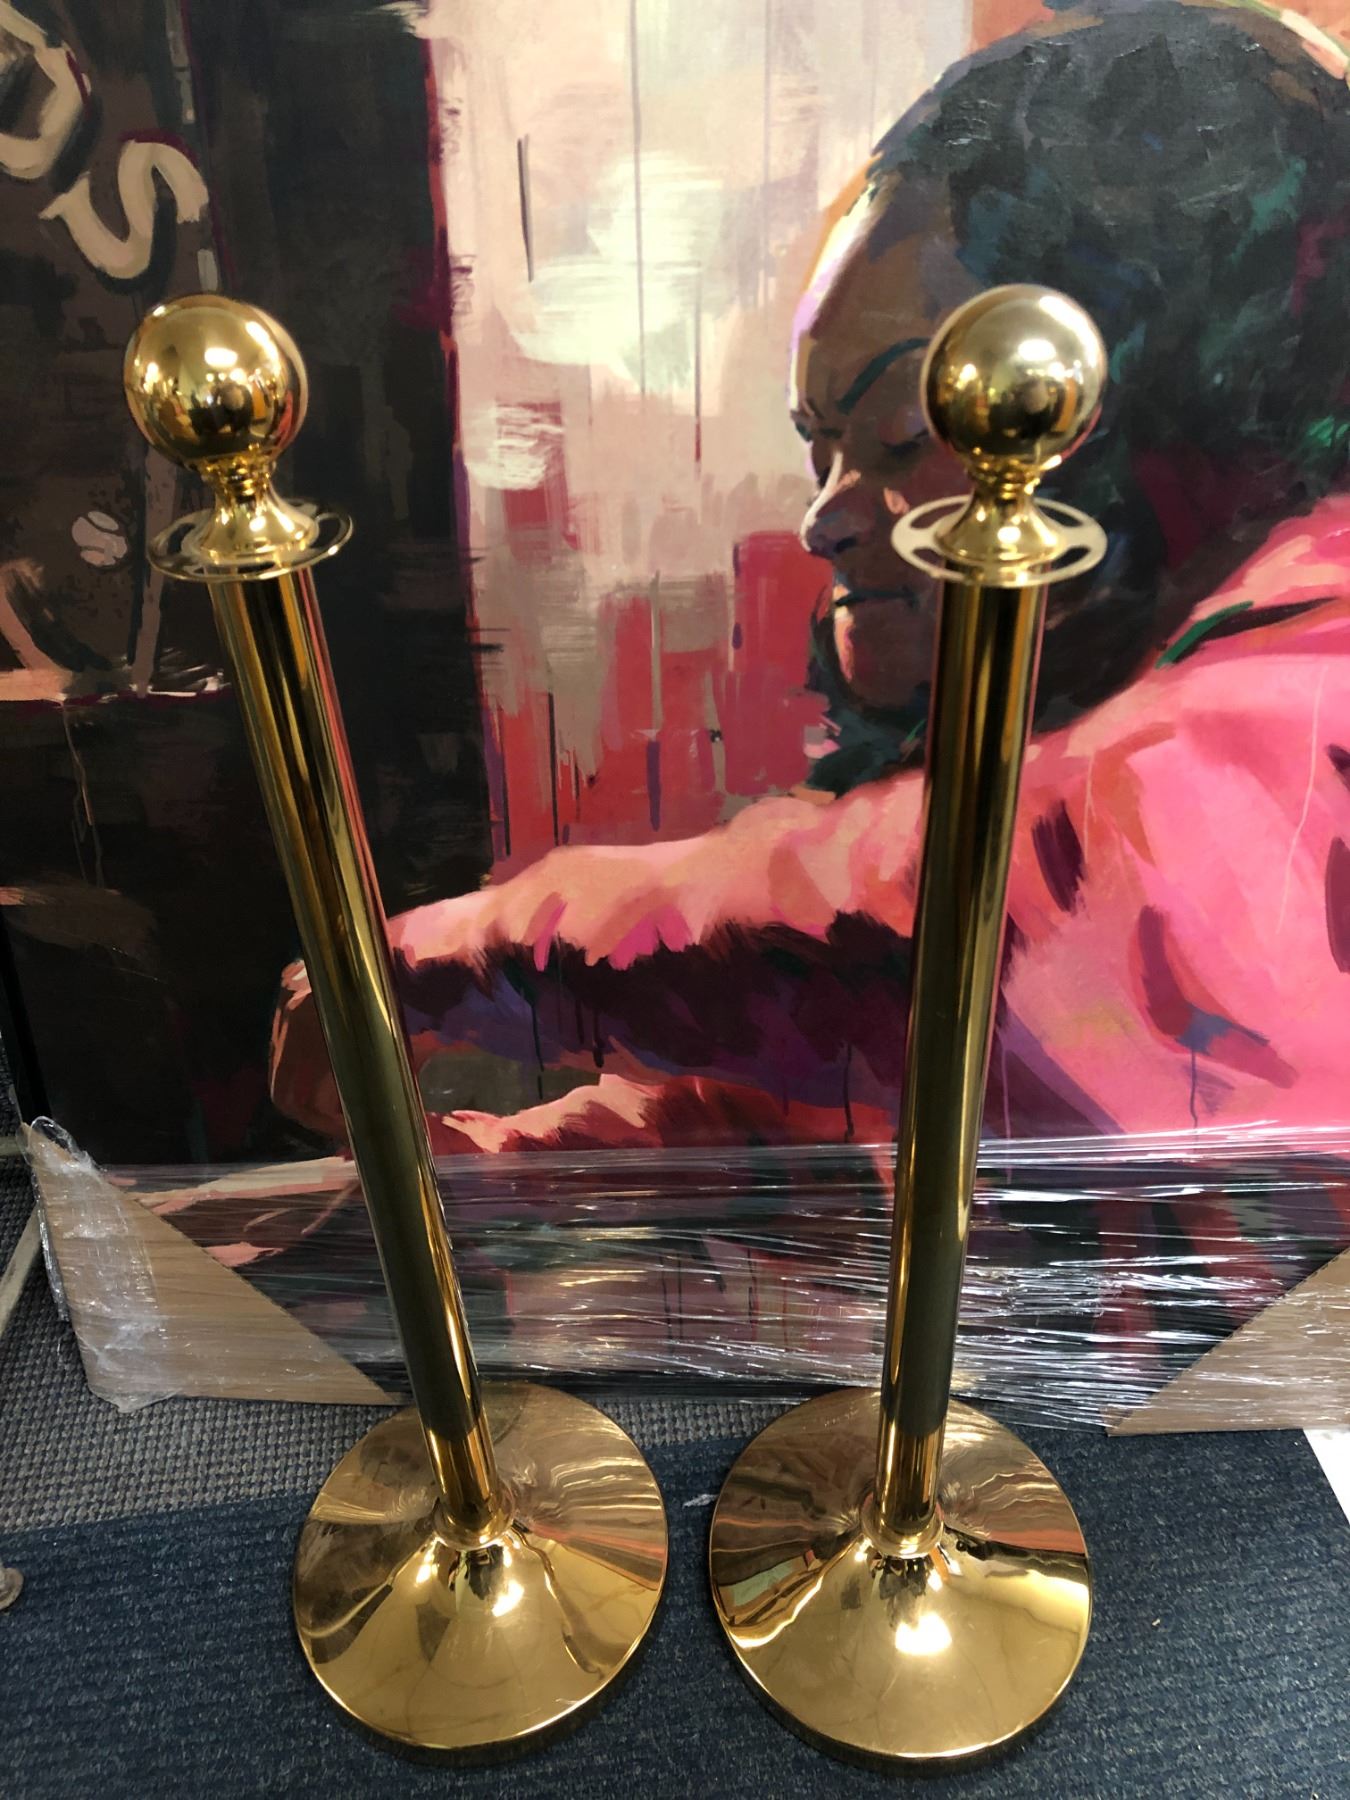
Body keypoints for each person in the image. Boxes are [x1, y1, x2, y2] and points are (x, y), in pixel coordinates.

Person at [272, 0, 1350, 1191]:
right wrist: (479, 1176)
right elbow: (836, 1120)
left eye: (899, 432)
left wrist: (444, 960)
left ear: (1151, 394)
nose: (823, 518)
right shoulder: (1092, 711)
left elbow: (957, 924)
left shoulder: (1309, 673)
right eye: (819, 447)